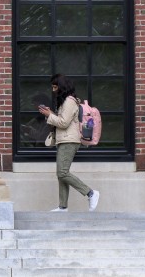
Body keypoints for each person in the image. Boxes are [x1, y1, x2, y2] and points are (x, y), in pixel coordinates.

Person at [38, 73, 100, 212]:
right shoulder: (65, 102)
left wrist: (49, 116)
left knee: (62, 173)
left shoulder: (69, 101)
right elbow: (62, 121)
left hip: (69, 141)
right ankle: (62, 206)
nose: (53, 90)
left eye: (55, 87)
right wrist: (51, 114)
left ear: (62, 87)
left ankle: (90, 193)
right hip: (64, 140)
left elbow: (64, 123)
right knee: (62, 174)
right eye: (52, 87)